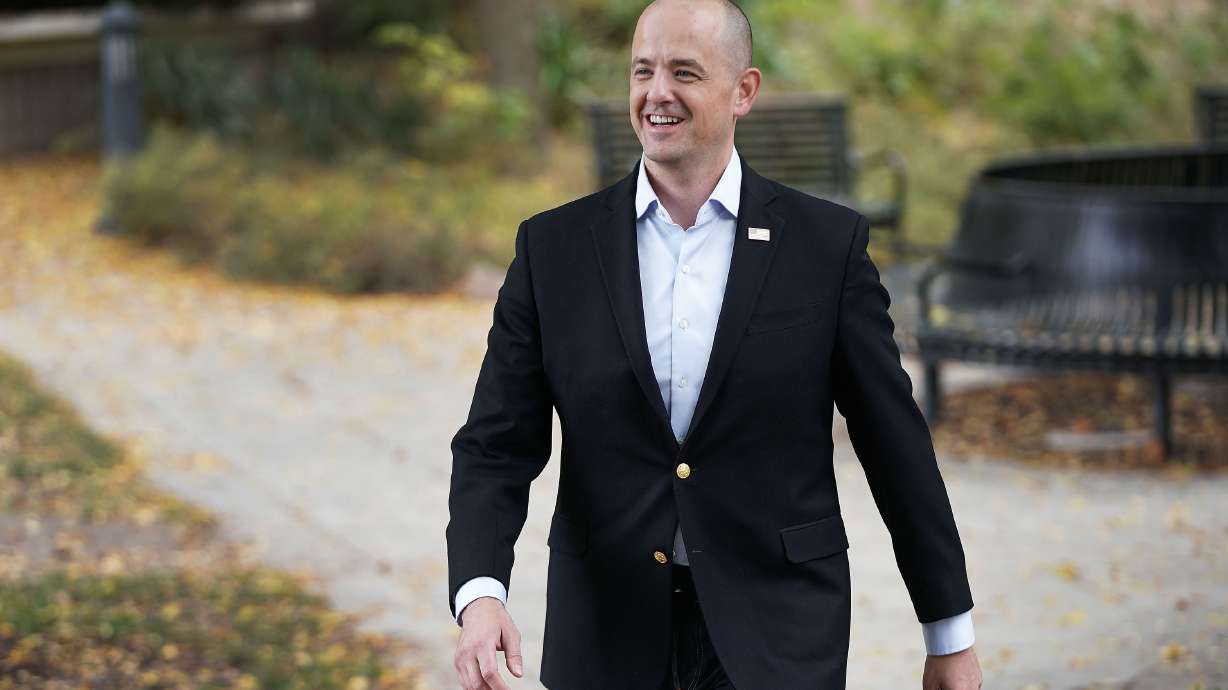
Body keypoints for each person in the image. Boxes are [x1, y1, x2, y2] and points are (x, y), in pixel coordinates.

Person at [446, 1, 983, 688]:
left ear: (743, 92)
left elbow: (894, 443)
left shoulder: (826, 248)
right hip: (607, 633)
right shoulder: (553, 250)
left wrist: (949, 634)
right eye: (642, 71)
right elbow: (496, 443)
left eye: (684, 72)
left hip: (779, 630)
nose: (657, 93)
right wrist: (481, 593)